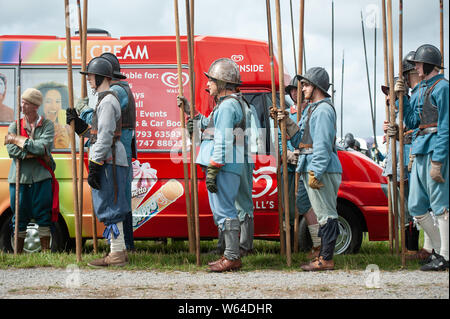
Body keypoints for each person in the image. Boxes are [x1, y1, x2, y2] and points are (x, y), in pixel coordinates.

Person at [274, 67, 342, 271]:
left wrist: (316, 172)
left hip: (320, 168)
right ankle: (321, 252)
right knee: (312, 208)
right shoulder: (312, 109)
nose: (302, 88)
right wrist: (285, 122)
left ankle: (326, 258)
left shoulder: (323, 110)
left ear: (316, 86)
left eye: (306, 85)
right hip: (309, 165)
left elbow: (321, 145)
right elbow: (300, 142)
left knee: (326, 213)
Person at [66, 56, 130, 267]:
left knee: (111, 205)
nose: (89, 80)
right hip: (107, 158)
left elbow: (104, 136)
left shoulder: (109, 101)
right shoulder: (103, 100)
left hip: (108, 160)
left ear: (101, 77)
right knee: (108, 204)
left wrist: (95, 163)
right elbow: (94, 134)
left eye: (91, 76)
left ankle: (116, 255)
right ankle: (118, 251)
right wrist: (78, 124)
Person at [188, 57, 248, 272]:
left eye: (212, 81)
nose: (208, 85)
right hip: (224, 165)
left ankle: (232, 257)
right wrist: (191, 114)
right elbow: (209, 126)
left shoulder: (228, 106)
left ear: (222, 83)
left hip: (223, 166)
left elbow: (222, 140)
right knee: (222, 210)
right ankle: (229, 255)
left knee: (225, 210)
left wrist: (214, 167)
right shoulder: (224, 106)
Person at [397, 44, 449, 271]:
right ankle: (440, 250)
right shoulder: (421, 89)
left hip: (434, 150)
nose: (415, 67)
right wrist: (401, 97)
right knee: (416, 205)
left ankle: (445, 256)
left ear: (428, 64)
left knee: (440, 205)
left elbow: (446, 126)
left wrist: (439, 160)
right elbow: (411, 121)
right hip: (419, 149)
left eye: (418, 63)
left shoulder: (443, 88)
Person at [4, 88, 57, 253]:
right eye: (22, 102)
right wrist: (33, 152)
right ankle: (18, 254)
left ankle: (45, 253)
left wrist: (19, 141)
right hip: (19, 178)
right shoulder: (15, 125)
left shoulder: (47, 125)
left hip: (42, 177)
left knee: (43, 215)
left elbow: (43, 147)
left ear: (35, 106)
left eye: (26, 103)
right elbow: (11, 151)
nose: (22, 106)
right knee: (19, 216)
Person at [276, 75, 321, 258]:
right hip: (288, 167)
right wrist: (286, 153)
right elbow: (280, 139)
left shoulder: (312, 110)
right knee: (288, 208)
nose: (295, 93)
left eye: (297, 89)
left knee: (310, 206)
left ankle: (315, 245)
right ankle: (287, 246)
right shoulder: (287, 113)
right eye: (292, 90)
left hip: (306, 163)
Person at [35, 82, 71, 149]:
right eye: (48, 101)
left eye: (57, 102)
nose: (53, 107)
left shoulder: (68, 129)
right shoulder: (33, 127)